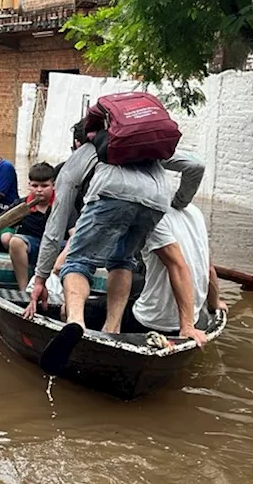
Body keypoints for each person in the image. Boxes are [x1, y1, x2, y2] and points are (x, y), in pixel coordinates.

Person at [27, 119, 206, 375]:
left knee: (78, 261)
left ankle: (76, 322)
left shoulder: (85, 154)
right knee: (122, 260)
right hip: (156, 201)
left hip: (110, 196)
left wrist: (41, 278)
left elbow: (55, 230)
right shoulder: (144, 147)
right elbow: (196, 165)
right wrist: (179, 201)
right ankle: (113, 330)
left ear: (80, 142)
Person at [129, 203, 225, 338]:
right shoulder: (195, 212)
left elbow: (178, 267)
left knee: (118, 278)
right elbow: (208, 268)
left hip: (153, 322)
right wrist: (215, 303)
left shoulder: (151, 216)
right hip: (194, 316)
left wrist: (187, 327)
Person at [7, 161, 56, 290]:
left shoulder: (61, 205)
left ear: (54, 186)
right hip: (32, 246)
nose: (39, 190)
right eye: (35, 185)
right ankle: (24, 290)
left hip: (56, 248)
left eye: (44, 186)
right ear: (29, 185)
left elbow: (74, 235)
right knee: (15, 242)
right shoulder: (22, 205)